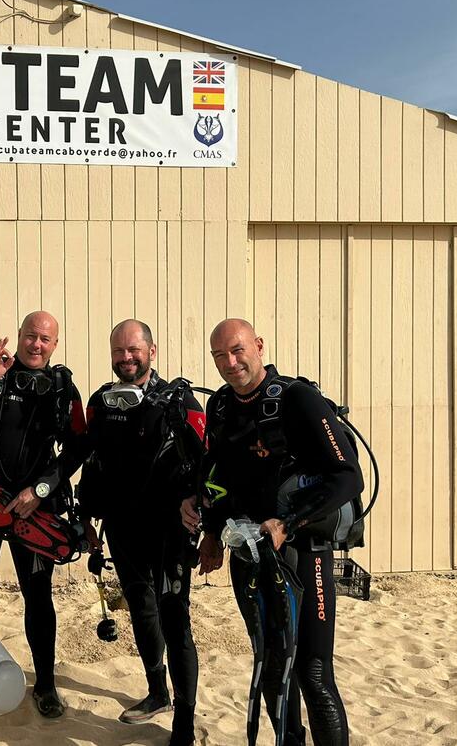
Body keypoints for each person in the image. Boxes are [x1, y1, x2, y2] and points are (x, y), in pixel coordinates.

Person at [183, 318, 360, 746]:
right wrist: (211, 533)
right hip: (251, 554)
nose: (231, 362)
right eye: (220, 355)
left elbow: (348, 477)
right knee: (271, 666)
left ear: (258, 346)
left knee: (313, 672)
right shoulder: (221, 406)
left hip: (303, 550)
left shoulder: (298, 399)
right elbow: (218, 474)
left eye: (238, 350)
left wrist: (288, 522)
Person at [0, 311, 87, 719]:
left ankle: (45, 685)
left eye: (45, 339)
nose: (36, 345)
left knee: (38, 597)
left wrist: (41, 490)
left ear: (55, 344)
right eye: (30, 336)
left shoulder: (62, 388)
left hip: (32, 507)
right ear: (20, 335)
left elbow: (79, 446)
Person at [78, 319, 205, 746]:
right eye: (118, 351)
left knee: (174, 617)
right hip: (121, 526)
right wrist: (86, 518)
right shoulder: (101, 402)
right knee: (140, 606)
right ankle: (157, 692)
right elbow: (92, 462)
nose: (126, 357)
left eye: (133, 349)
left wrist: (201, 513)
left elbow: (207, 463)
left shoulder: (178, 400)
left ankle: (184, 720)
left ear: (152, 351)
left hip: (169, 529)